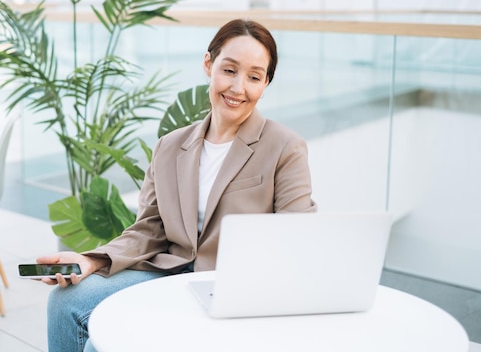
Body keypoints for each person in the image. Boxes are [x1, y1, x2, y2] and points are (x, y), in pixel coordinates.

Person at [36, 18, 317, 352]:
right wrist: (91, 261)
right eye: (229, 70)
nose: (239, 88)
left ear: (265, 83)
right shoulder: (170, 146)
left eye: (254, 77)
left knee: (102, 346)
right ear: (208, 65)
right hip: (169, 275)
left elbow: (298, 240)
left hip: (234, 290)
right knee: (66, 303)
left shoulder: (285, 147)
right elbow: (150, 228)